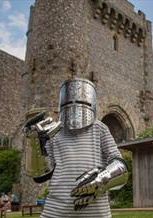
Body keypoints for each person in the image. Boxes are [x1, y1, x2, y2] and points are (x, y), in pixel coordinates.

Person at [35, 78, 128, 218]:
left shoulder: (100, 128)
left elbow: (120, 164)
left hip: (96, 212)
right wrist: (35, 144)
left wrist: (101, 179)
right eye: (69, 101)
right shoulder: (52, 133)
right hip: (56, 210)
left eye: (82, 101)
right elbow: (42, 174)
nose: (75, 105)